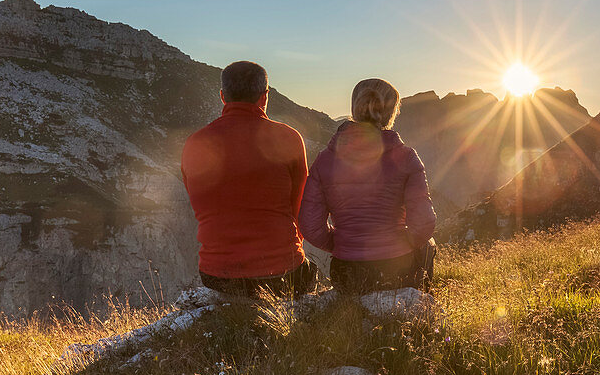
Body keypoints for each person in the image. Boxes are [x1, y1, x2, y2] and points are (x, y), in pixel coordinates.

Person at [181, 60, 317, 299]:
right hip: (281, 272)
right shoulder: (289, 138)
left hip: (216, 275)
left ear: (223, 96)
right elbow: (301, 210)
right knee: (310, 272)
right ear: (264, 97)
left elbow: (200, 205)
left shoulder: (195, 143)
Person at [299, 78, 436, 296]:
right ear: (391, 113)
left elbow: (310, 226)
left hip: (346, 271)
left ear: (355, 108)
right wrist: (404, 243)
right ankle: (419, 305)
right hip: (397, 268)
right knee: (429, 244)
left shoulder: (324, 160)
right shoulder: (407, 157)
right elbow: (424, 223)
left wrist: (341, 244)